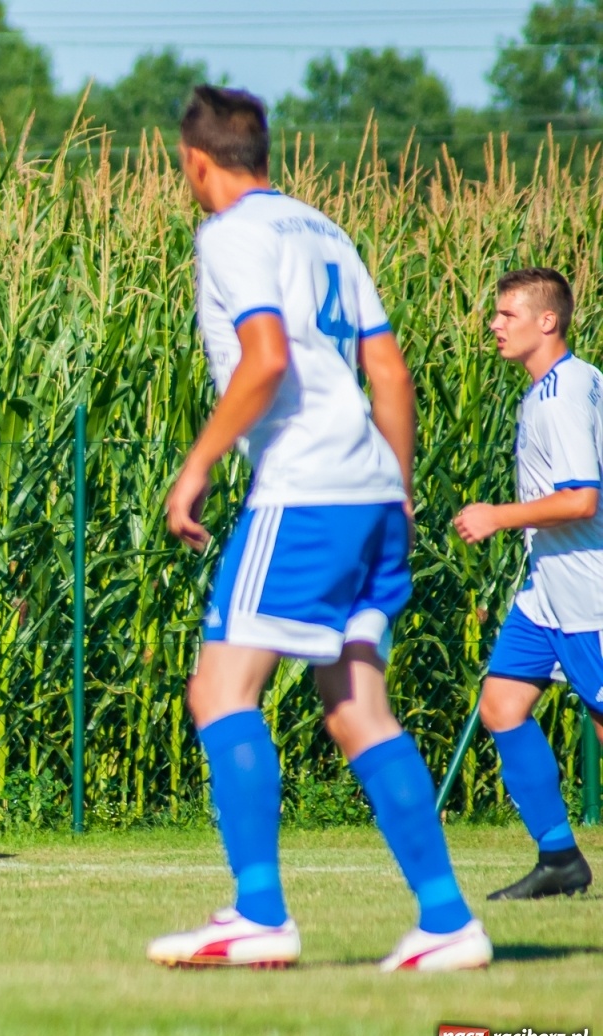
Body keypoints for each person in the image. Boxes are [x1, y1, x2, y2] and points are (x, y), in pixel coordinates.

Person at [151, 86, 490, 971]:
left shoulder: (231, 235)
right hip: (374, 489)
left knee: (220, 693)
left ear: (195, 161)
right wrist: (398, 489)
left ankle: (259, 913)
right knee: (355, 709)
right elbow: (391, 371)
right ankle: (449, 921)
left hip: (304, 488)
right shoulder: (324, 230)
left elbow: (263, 361)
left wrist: (197, 464)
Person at [453, 268, 598, 900]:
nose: (494, 324)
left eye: (507, 314)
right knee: (502, 705)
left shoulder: (562, 396)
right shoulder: (567, 383)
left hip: (588, 590)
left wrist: (497, 517)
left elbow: (582, 500)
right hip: (549, 589)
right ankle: (560, 858)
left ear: (548, 321)